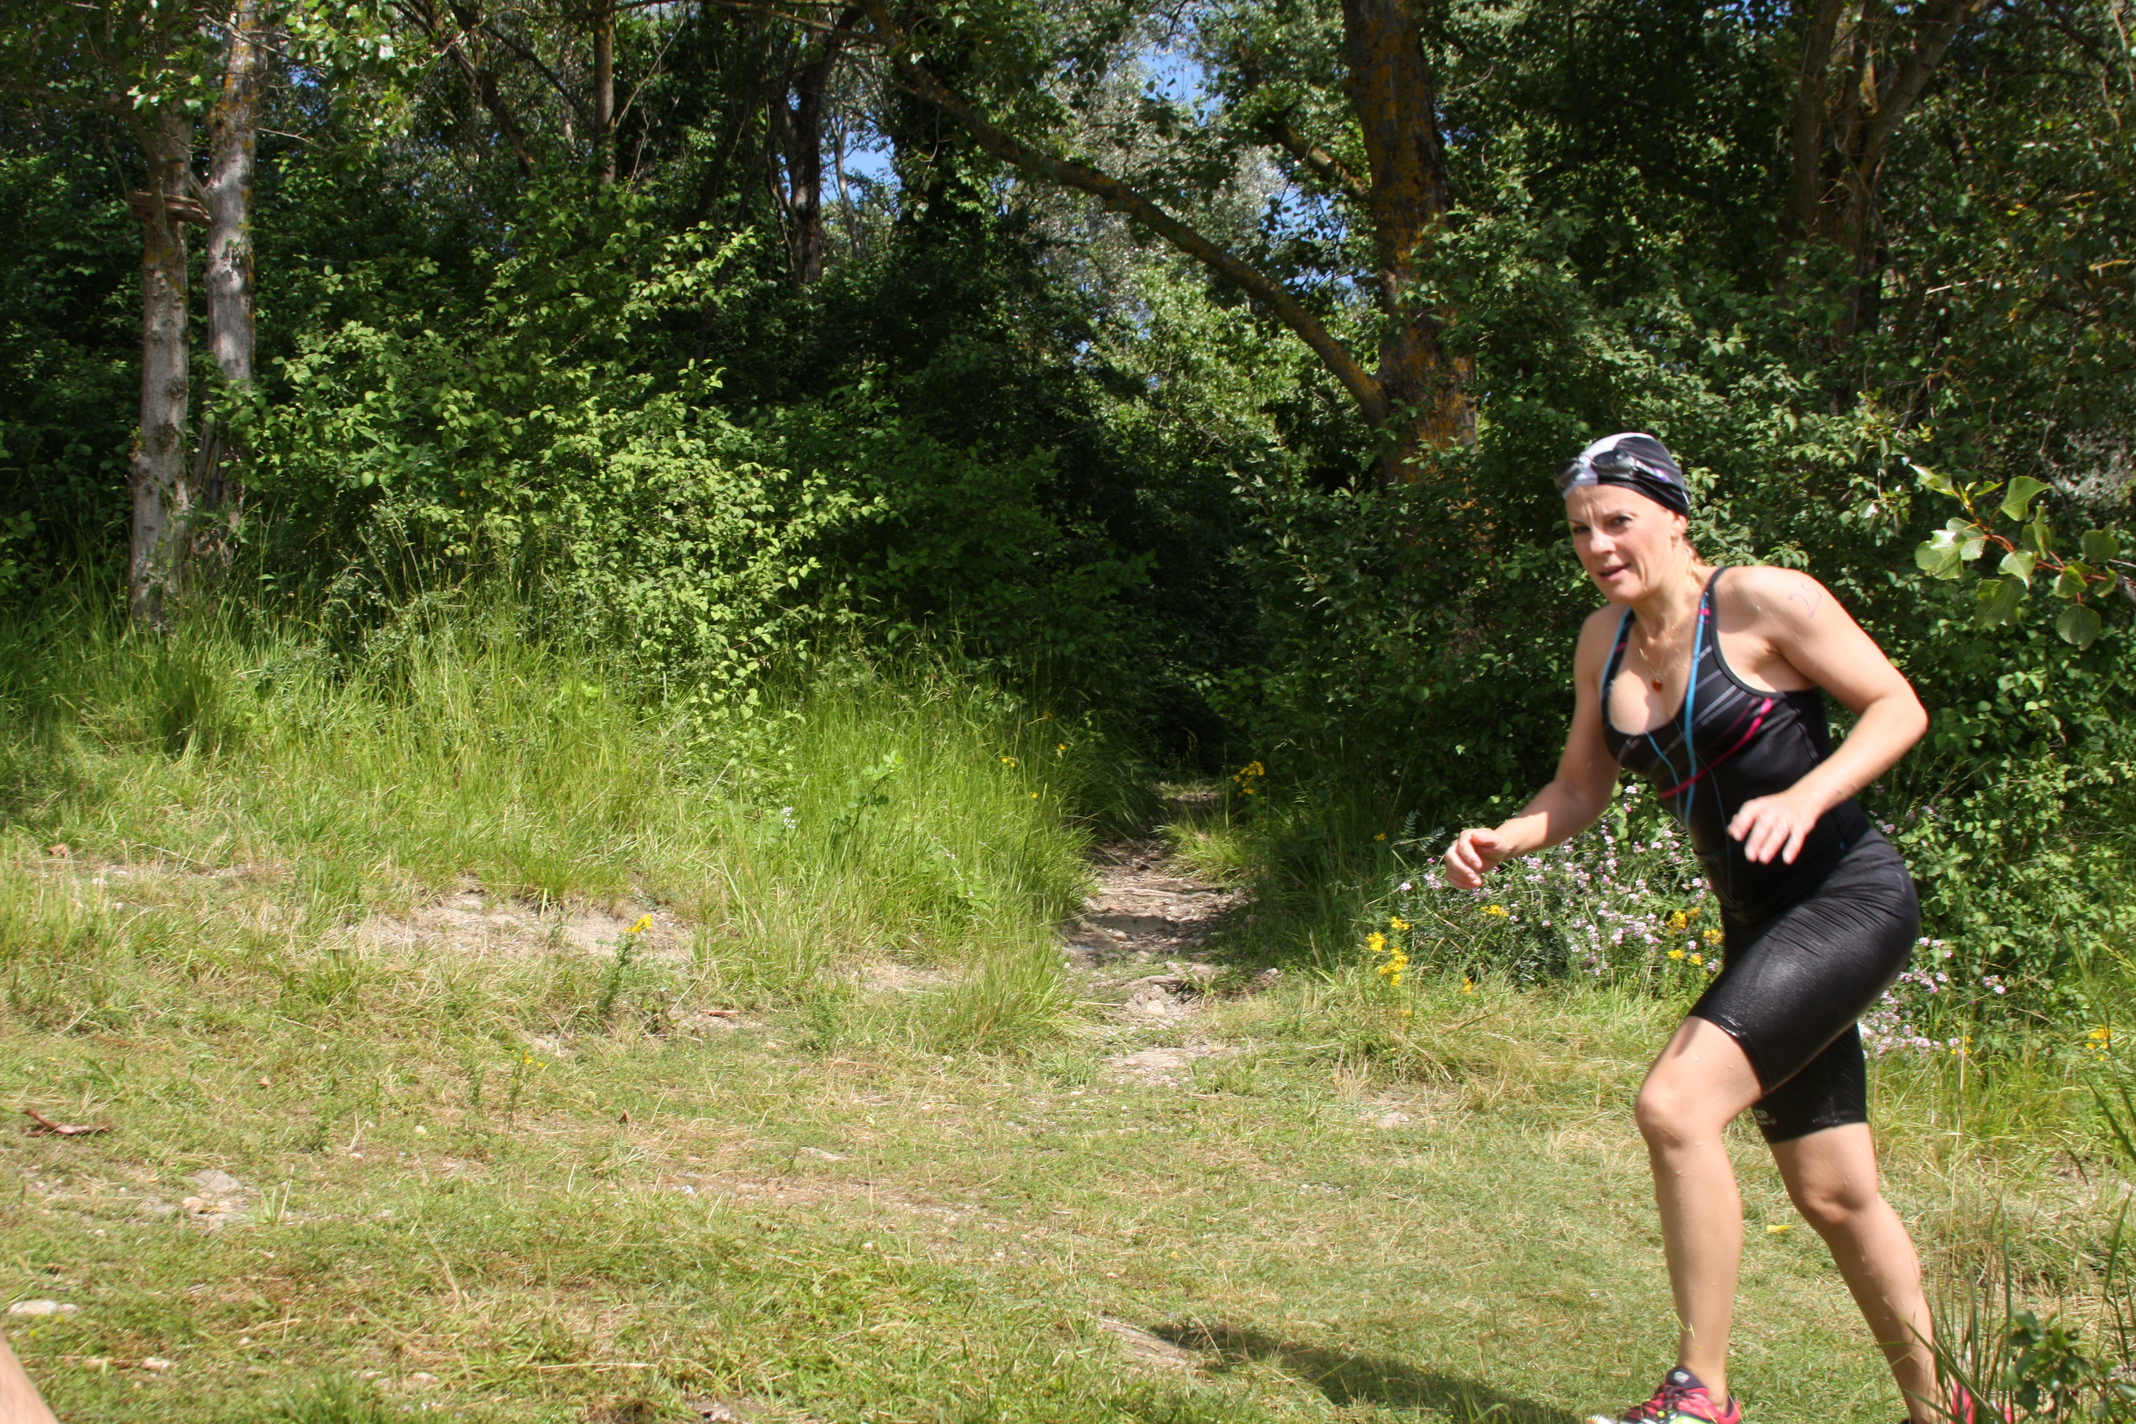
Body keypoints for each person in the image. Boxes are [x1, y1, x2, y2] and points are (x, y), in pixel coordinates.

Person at [1443, 433, 1939, 1424]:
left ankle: (1698, 1394)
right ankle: (1950, 1408)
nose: (1598, 545)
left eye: (1617, 520)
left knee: (1674, 1105)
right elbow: (1580, 786)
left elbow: (1897, 707)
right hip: (1759, 927)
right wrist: (1507, 836)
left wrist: (1808, 792)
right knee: (1834, 1192)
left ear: (1674, 515)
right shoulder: (1604, 641)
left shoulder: (1762, 599)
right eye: (1580, 529)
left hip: (1847, 898)